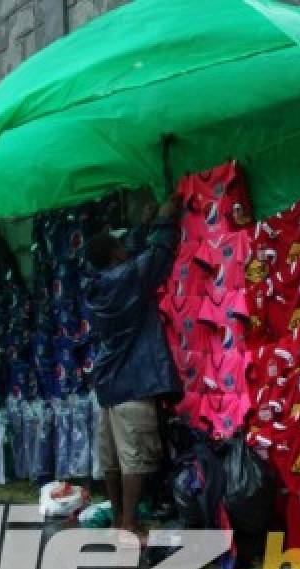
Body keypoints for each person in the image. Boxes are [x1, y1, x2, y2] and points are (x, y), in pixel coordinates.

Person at [84, 192, 183, 544]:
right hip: (133, 381)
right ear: (116, 256)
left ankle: (116, 518)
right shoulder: (128, 280)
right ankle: (129, 525)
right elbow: (157, 257)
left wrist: (143, 224)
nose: (126, 248)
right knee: (135, 459)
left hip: (108, 385)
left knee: (111, 458)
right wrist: (167, 220)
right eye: (120, 246)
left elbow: (131, 254)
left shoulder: (96, 286)